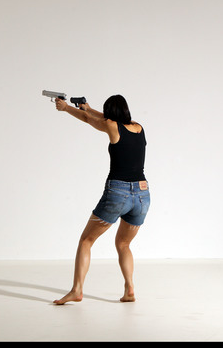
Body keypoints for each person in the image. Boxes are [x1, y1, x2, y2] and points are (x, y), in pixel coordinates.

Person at [53, 94, 150, 304]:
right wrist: (88, 107)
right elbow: (99, 117)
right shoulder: (138, 127)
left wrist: (66, 108)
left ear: (110, 113)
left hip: (118, 193)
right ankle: (129, 289)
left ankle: (77, 290)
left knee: (86, 240)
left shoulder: (111, 126)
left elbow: (91, 120)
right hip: (142, 195)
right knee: (123, 243)